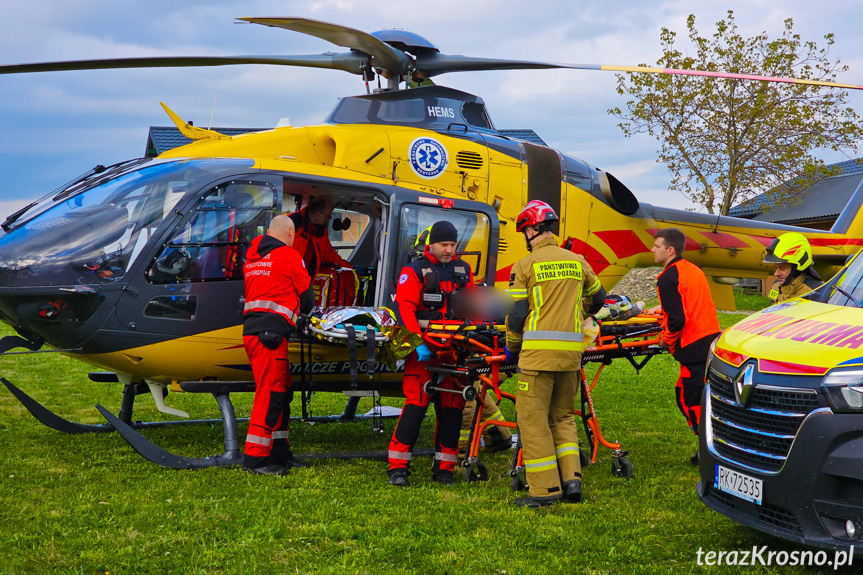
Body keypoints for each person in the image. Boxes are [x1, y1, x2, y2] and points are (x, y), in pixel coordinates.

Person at [505, 200, 605, 508]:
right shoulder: (576, 261)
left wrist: (511, 346)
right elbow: (598, 297)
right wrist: (577, 311)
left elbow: (518, 313)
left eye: (525, 230)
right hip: (570, 357)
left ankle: (544, 491)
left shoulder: (525, 266)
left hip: (536, 357)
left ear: (533, 229)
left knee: (532, 421)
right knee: (562, 417)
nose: (525, 236)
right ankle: (572, 480)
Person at [386, 220, 474, 487]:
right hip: (424, 352)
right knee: (416, 406)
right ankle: (398, 468)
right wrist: (417, 344)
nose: (449, 249)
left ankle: (444, 469)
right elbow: (404, 310)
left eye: (452, 244)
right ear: (431, 245)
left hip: (454, 351)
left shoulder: (463, 270)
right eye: (444, 244)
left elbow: (471, 307)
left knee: (452, 410)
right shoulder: (414, 271)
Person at [241, 215, 315, 476]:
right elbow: (307, 298)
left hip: (254, 332)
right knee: (270, 394)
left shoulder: (252, 257)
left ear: (269, 232)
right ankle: (255, 459)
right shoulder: (289, 255)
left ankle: (279, 450)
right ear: (292, 234)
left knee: (282, 391)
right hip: (271, 335)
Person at [651, 227, 721, 465]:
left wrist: (666, 339)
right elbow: (690, 303)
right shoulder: (692, 270)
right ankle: (710, 448)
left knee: (689, 400)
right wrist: (661, 310)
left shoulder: (667, 278)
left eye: (657, 246)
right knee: (705, 397)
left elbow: (678, 319)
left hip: (692, 347)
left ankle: (709, 449)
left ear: (670, 250)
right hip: (710, 342)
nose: (653, 250)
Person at [288, 196, 352, 280]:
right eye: (328, 216)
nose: (329, 219)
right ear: (317, 214)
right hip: (288, 279)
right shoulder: (290, 223)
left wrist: (351, 270)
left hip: (304, 281)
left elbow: (330, 255)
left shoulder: (321, 231)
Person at [764, 232, 822, 303]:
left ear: (797, 267)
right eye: (776, 268)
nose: (776, 274)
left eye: (782, 268)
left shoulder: (817, 292)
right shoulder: (776, 286)